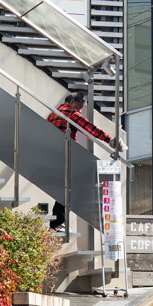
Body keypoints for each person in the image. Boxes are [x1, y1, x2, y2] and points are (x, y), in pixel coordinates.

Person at [47, 93, 108, 229]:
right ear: (73, 101)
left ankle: (57, 222)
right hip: (66, 154)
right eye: (79, 107)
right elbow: (90, 128)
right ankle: (57, 222)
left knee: (66, 187)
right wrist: (109, 140)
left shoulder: (53, 113)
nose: (79, 111)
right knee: (70, 186)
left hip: (52, 155)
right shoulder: (71, 113)